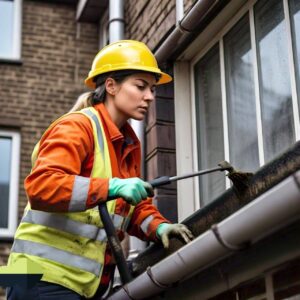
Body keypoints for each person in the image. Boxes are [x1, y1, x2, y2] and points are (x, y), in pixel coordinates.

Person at [6, 40, 193, 300]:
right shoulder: (77, 127)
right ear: (111, 86)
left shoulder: (126, 143)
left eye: (151, 89)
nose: (149, 96)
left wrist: (160, 227)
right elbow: (42, 187)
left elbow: (129, 208)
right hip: (39, 280)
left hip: (81, 287)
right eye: (140, 86)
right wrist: (112, 187)